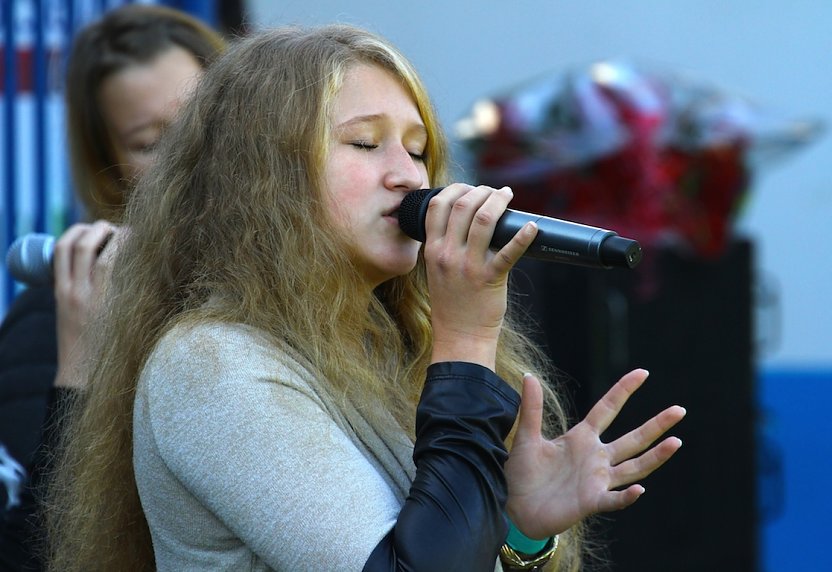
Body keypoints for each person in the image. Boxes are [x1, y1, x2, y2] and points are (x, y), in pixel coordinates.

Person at [46, 25, 686, 572]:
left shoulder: (388, 345)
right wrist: (464, 344)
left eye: (418, 149)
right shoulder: (212, 363)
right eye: (364, 142)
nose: (409, 176)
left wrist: (521, 528)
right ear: (263, 175)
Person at [0, 4, 226, 570]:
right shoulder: (48, 318)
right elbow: (33, 550)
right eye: (150, 142)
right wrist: (82, 365)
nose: (188, 157)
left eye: (204, 121)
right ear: (109, 168)